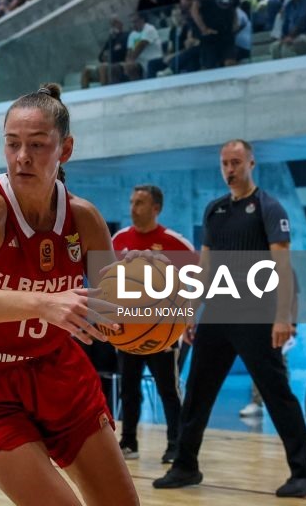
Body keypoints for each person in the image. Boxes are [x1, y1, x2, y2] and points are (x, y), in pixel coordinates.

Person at [0, 83, 139, 505]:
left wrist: (143, 310)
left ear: (65, 149)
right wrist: (45, 303)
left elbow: (108, 309)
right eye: (12, 144)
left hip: (56, 370)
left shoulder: (84, 218)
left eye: (37, 145)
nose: (22, 156)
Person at [153, 139, 306, 498]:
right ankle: (185, 466)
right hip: (218, 314)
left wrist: (283, 318)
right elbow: (206, 268)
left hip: (257, 315)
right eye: (225, 163)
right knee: (197, 392)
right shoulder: (215, 210)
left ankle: (304, 473)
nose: (230, 169)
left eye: (236, 162)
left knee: (277, 394)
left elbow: (283, 267)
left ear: (251, 164)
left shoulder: (268, 208)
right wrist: (191, 314)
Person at [111, 185, 195, 464]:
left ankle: (175, 444)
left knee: (168, 390)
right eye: (132, 201)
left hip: (163, 331)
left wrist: (188, 316)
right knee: (129, 389)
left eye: (140, 203)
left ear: (156, 208)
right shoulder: (119, 240)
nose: (133, 208)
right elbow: (106, 283)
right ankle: (129, 442)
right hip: (128, 330)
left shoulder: (175, 243)